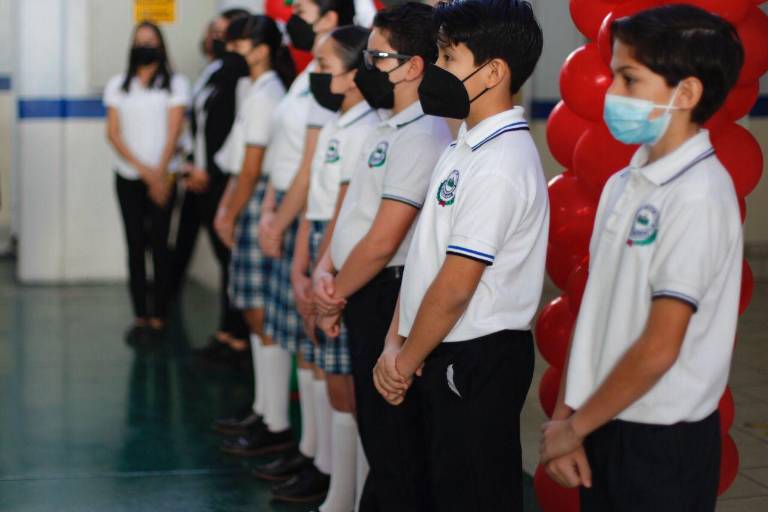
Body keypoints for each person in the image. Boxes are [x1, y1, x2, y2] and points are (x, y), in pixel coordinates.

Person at [539, 5, 745, 512]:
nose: (611, 94)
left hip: (660, 440)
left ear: (687, 93)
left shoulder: (699, 195)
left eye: (629, 79)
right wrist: (568, 416)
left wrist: (574, 428)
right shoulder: (623, 183)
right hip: (601, 418)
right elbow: (597, 312)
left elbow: (658, 347)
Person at [371, 1, 546, 510]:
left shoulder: (501, 162)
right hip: (436, 347)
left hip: (477, 355)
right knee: (445, 485)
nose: (437, 70)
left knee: (474, 490)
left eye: (448, 58)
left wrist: (402, 361)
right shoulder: (464, 145)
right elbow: (426, 258)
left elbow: (455, 286)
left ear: (494, 72)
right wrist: (395, 340)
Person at [312, 3, 451, 510]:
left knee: (395, 441)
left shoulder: (425, 134)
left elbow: (383, 239)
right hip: (358, 291)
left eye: (378, 57)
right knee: (377, 429)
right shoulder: (384, 128)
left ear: (414, 65)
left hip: (383, 291)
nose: (366, 67)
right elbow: (351, 214)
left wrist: (334, 296)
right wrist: (325, 272)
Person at [257, 25, 378, 512]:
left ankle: (351, 494)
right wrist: (302, 262)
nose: (317, 77)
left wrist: (319, 266)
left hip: (340, 252)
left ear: (354, 76)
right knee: (328, 376)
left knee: (345, 383)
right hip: (318, 247)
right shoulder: (335, 121)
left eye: (325, 68)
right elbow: (314, 200)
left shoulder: (365, 127)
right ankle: (331, 478)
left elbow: (345, 208)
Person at [203, 13, 294, 448]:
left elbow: (253, 165)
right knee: (254, 312)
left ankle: (274, 422)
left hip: (256, 196)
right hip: (248, 192)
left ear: (260, 49)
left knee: (260, 312)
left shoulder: (266, 93)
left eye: (239, 45)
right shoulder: (255, 88)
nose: (233, 52)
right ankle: (264, 409)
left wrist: (227, 212)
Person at [170, 9, 253, 367]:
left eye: (225, 34)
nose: (217, 39)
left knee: (230, 259)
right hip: (203, 173)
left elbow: (230, 131)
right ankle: (227, 332)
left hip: (220, 178)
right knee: (225, 262)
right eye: (214, 32)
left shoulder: (239, 76)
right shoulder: (215, 71)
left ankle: (237, 336)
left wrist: (207, 168)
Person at [104, 21, 190, 343]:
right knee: (135, 245)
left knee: (160, 246)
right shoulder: (118, 85)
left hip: (164, 175)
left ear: (161, 46)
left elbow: (174, 131)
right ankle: (140, 314)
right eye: (140, 41)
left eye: (151, 41)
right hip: (128, 176)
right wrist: (145, 172)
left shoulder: (176, 84)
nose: (145, 46)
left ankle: (160, 316)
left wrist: (159, 174)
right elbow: (112, 133)